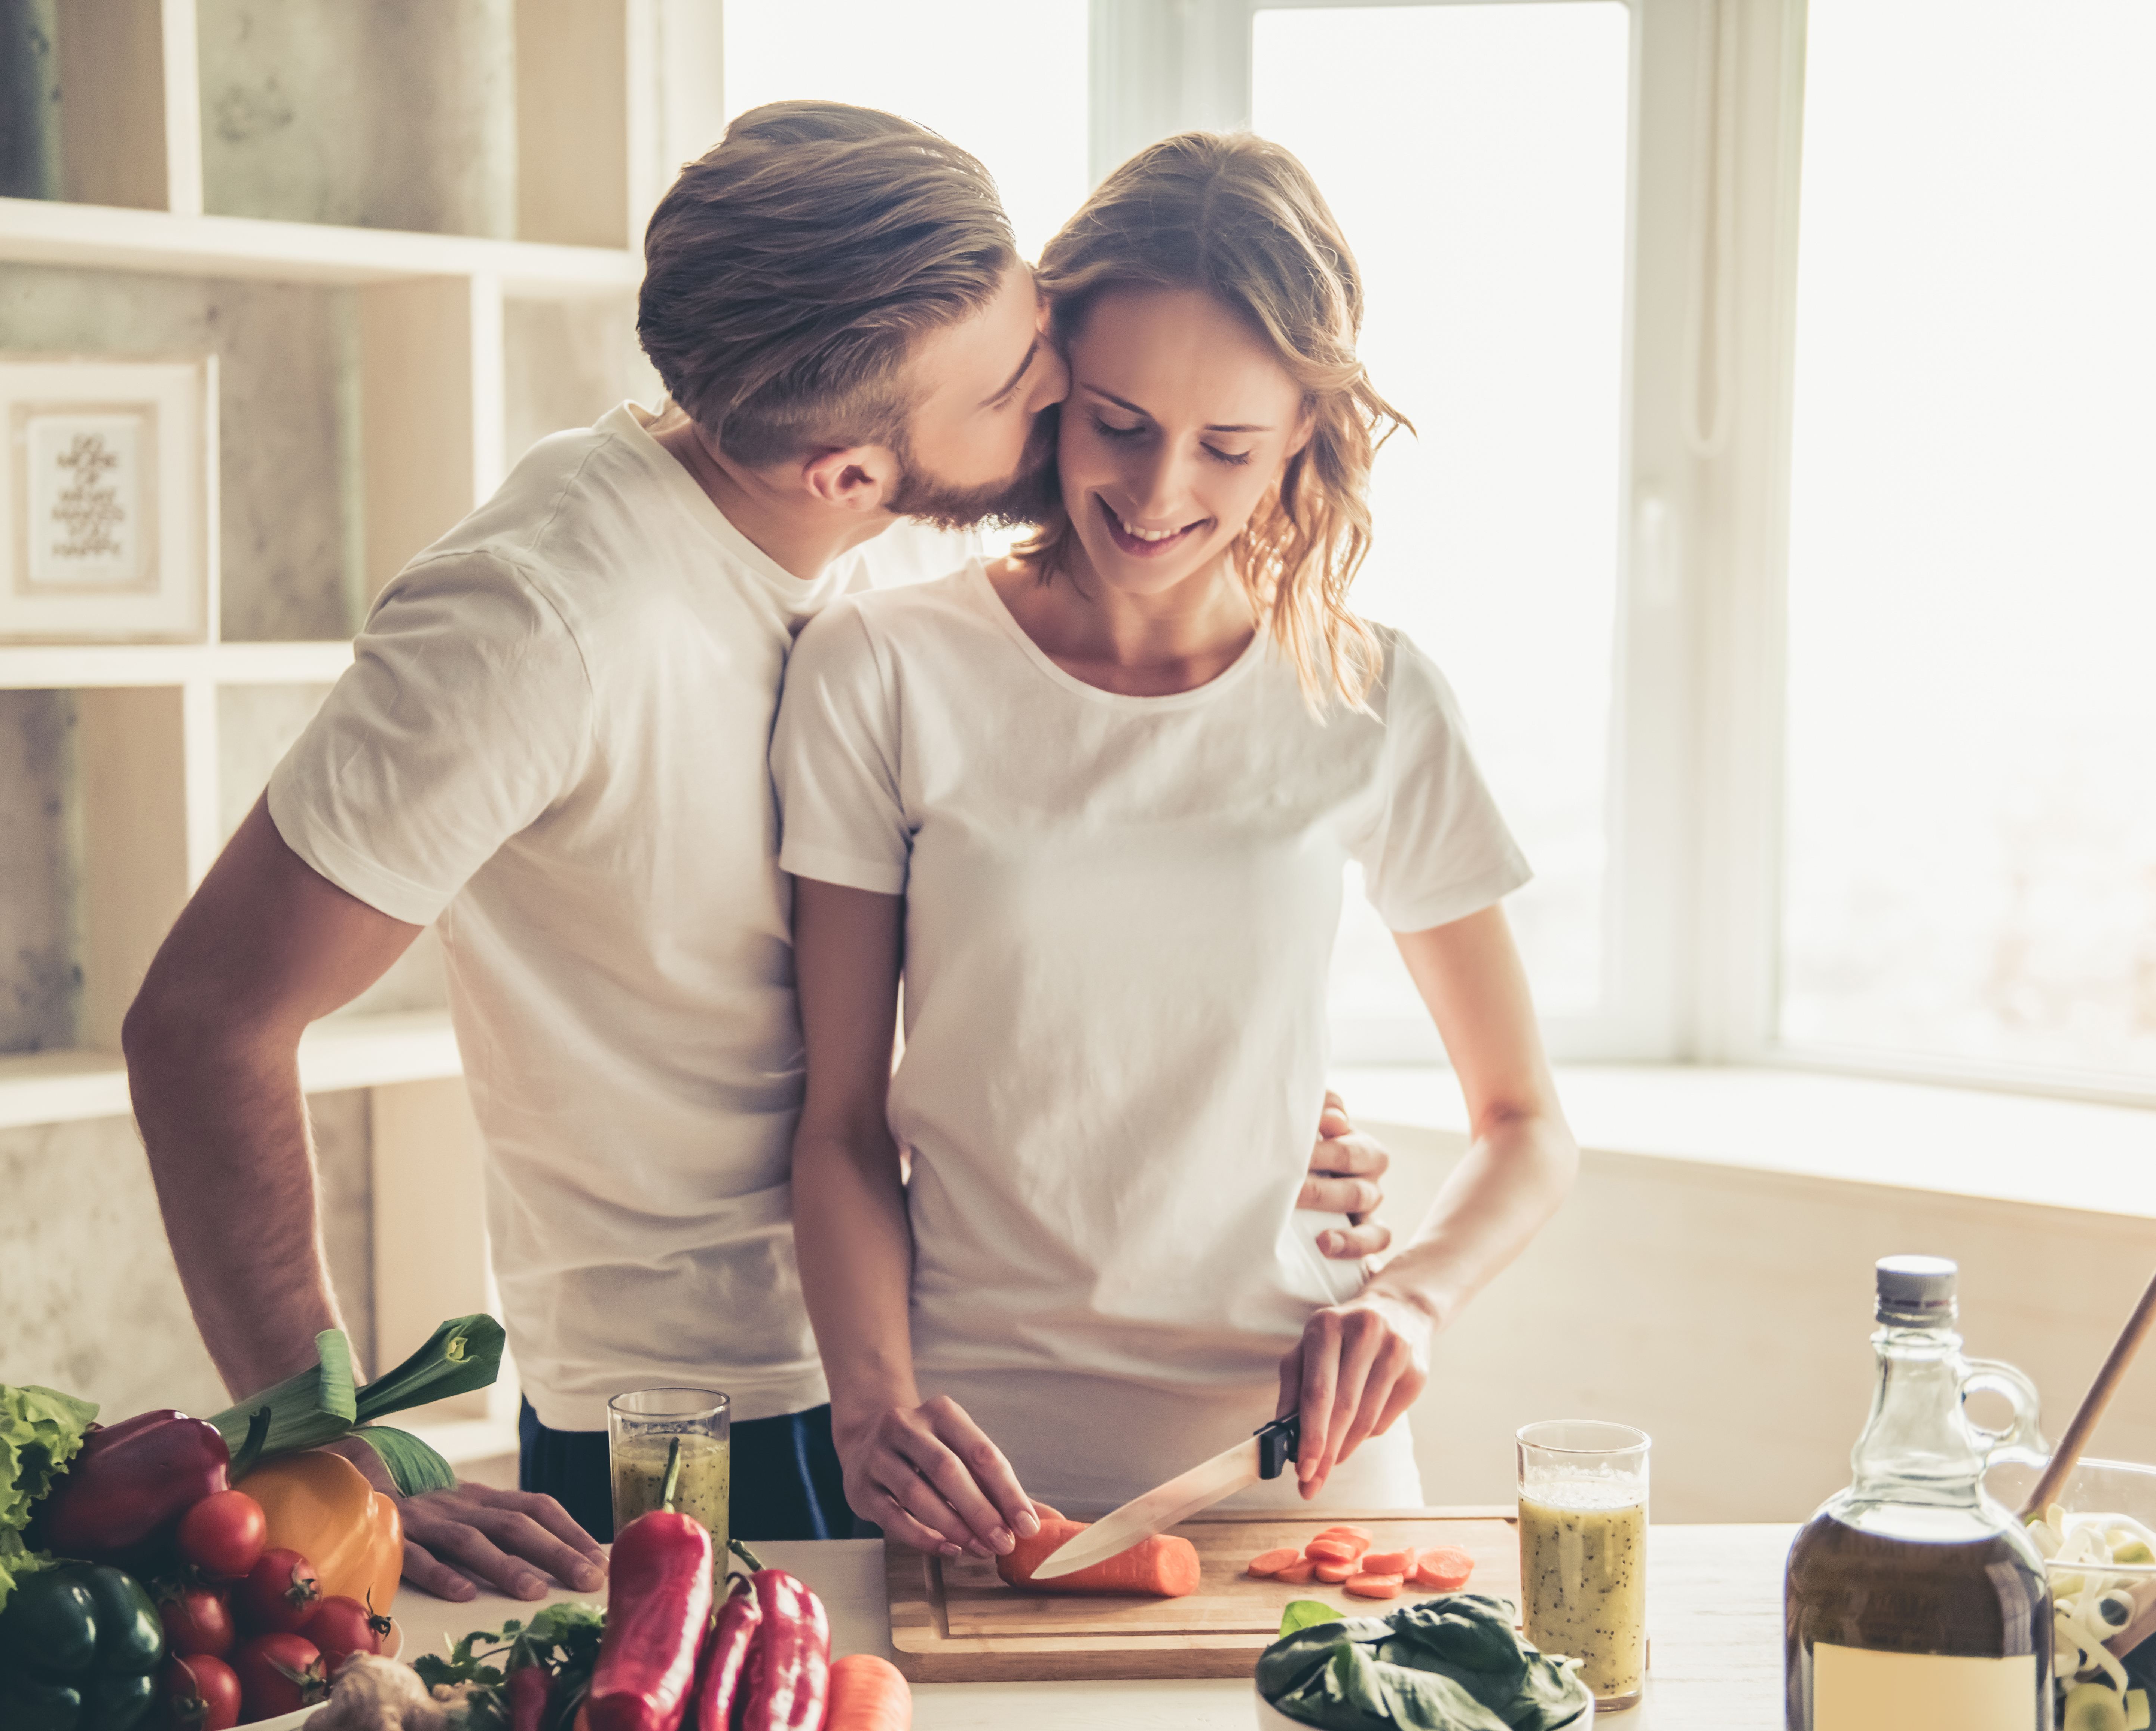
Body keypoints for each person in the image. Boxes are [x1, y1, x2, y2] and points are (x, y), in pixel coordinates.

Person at [123, 104, 1396, 1602]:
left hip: (931, 1354)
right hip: (704, 1410)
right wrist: (325, 1442)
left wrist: (1235, 1126)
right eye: (1015, 379)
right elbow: (204, 1021)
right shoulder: (531, 624)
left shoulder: (844, 528)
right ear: (849, 470)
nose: (1061, 388)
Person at [773, 131, 1581, 1560]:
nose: (1157, 495)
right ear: (1049, 395)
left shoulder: (1371, 695)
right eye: (1119, 423)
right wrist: (871, 1406)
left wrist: (1411, 1300)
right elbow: (837, 1121)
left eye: (1227, 447)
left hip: (1298, 1458)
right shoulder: (881, 665)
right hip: (973, 1465)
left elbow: (1523, 1124)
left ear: (1303, 441)